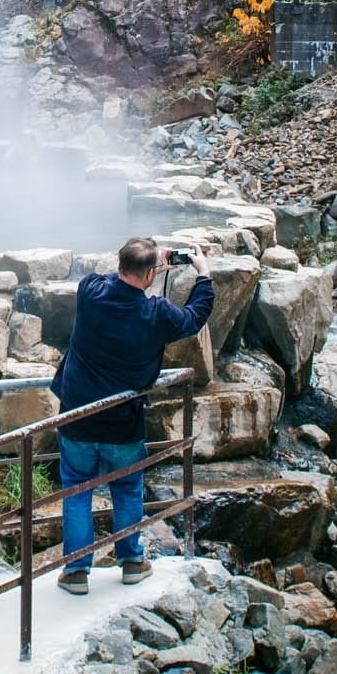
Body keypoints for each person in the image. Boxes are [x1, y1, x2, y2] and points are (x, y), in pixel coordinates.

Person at [50, 237, 214, 593]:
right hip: (122, 420)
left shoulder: (90, 293)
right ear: (150, 274)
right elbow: (195, 316)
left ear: (120, 265)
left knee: (76, 489)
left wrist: (147, 264)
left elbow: (112, 278)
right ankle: (131, 562)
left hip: (76, 414)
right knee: (126, 489)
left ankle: (76, 572)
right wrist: (203, 274)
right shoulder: (157, 314)